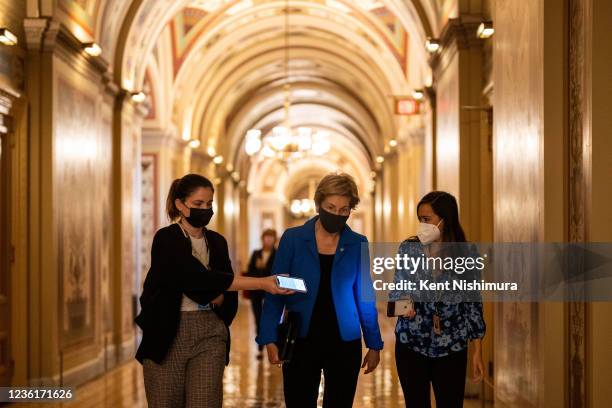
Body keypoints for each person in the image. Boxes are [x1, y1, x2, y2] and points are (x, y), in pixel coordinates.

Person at [135, 174, 292, 408]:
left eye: (209, 204)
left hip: (210, 331)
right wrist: (261, 283)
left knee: (205, 401)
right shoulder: (166, 239)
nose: (205, 209)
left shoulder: (217, 242)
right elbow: (197, 279)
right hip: (166, 333)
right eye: (198, 204)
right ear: (180, 204)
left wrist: (214, 289)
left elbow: (223, 289)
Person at [257, 173, 384, 408]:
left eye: (344, 209)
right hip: (300, 339)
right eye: (331, 207)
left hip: (344, 343)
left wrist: (374, 343)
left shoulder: (358, 243)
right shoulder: (293, 239)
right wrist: (269, 337)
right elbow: (275, 290)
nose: (337, 214)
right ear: (318, 205)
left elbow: (365, 297)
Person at [390, 191, 486, 408]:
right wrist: (404, 304)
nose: (422, 225)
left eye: (427, 219)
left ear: (445, 219)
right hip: (411, 343)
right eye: (420, 219)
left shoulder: (467, 254)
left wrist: (478, 351)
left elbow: (473, 304)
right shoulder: (409, 248)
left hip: (452, 346)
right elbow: (397, 289)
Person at [245, 229, 277, 357]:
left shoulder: (278, 254)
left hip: (272, 293)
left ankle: (273, 345)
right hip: (257, 292)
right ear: (262, 239)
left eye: (271, 238)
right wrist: (258, 268)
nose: (268, 240)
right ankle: (260, 347)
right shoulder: (256, 253)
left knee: (271, 319)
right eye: (266, 237)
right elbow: (249, 272)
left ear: (274, 239)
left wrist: (263, 267)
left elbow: (277, 272)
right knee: (258, 319)